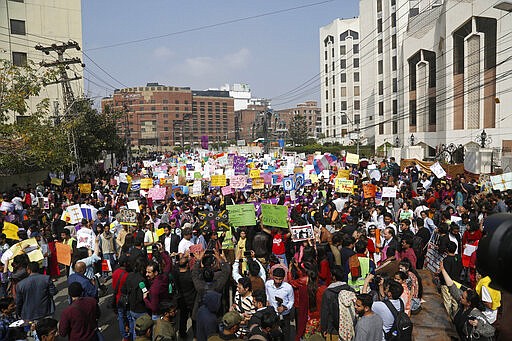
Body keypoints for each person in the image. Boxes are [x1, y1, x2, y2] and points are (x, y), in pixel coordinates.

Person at [439, 261, 495, 340]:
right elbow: (452, 287)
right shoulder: (462, 303)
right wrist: (443, 270)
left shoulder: (476, 314)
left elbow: (491, 330)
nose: (460, 297)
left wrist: (478, 325)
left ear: (469, 303)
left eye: (463, 297)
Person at [265, 267, 294, 341]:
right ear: (272, 277)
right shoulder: (268, 284)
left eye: (280, 279)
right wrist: (267, 301)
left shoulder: (288, 288)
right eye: (276, 279)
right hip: (272, 314)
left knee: (285, 334)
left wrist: (284, 308)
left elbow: (291, 301)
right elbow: (267, 294)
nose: (278, 281)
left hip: (284, 315)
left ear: (283, 278)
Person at [144, 251, 172, 319]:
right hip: (166, 309)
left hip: (158, 315)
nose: (146, 274)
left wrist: (145, 299)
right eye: (146, 272)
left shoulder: (154, 289)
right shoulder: (164, 276)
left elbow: (154, 308)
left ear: (156, 273)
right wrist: (161, 251)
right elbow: (169, 263)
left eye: (149, 272)